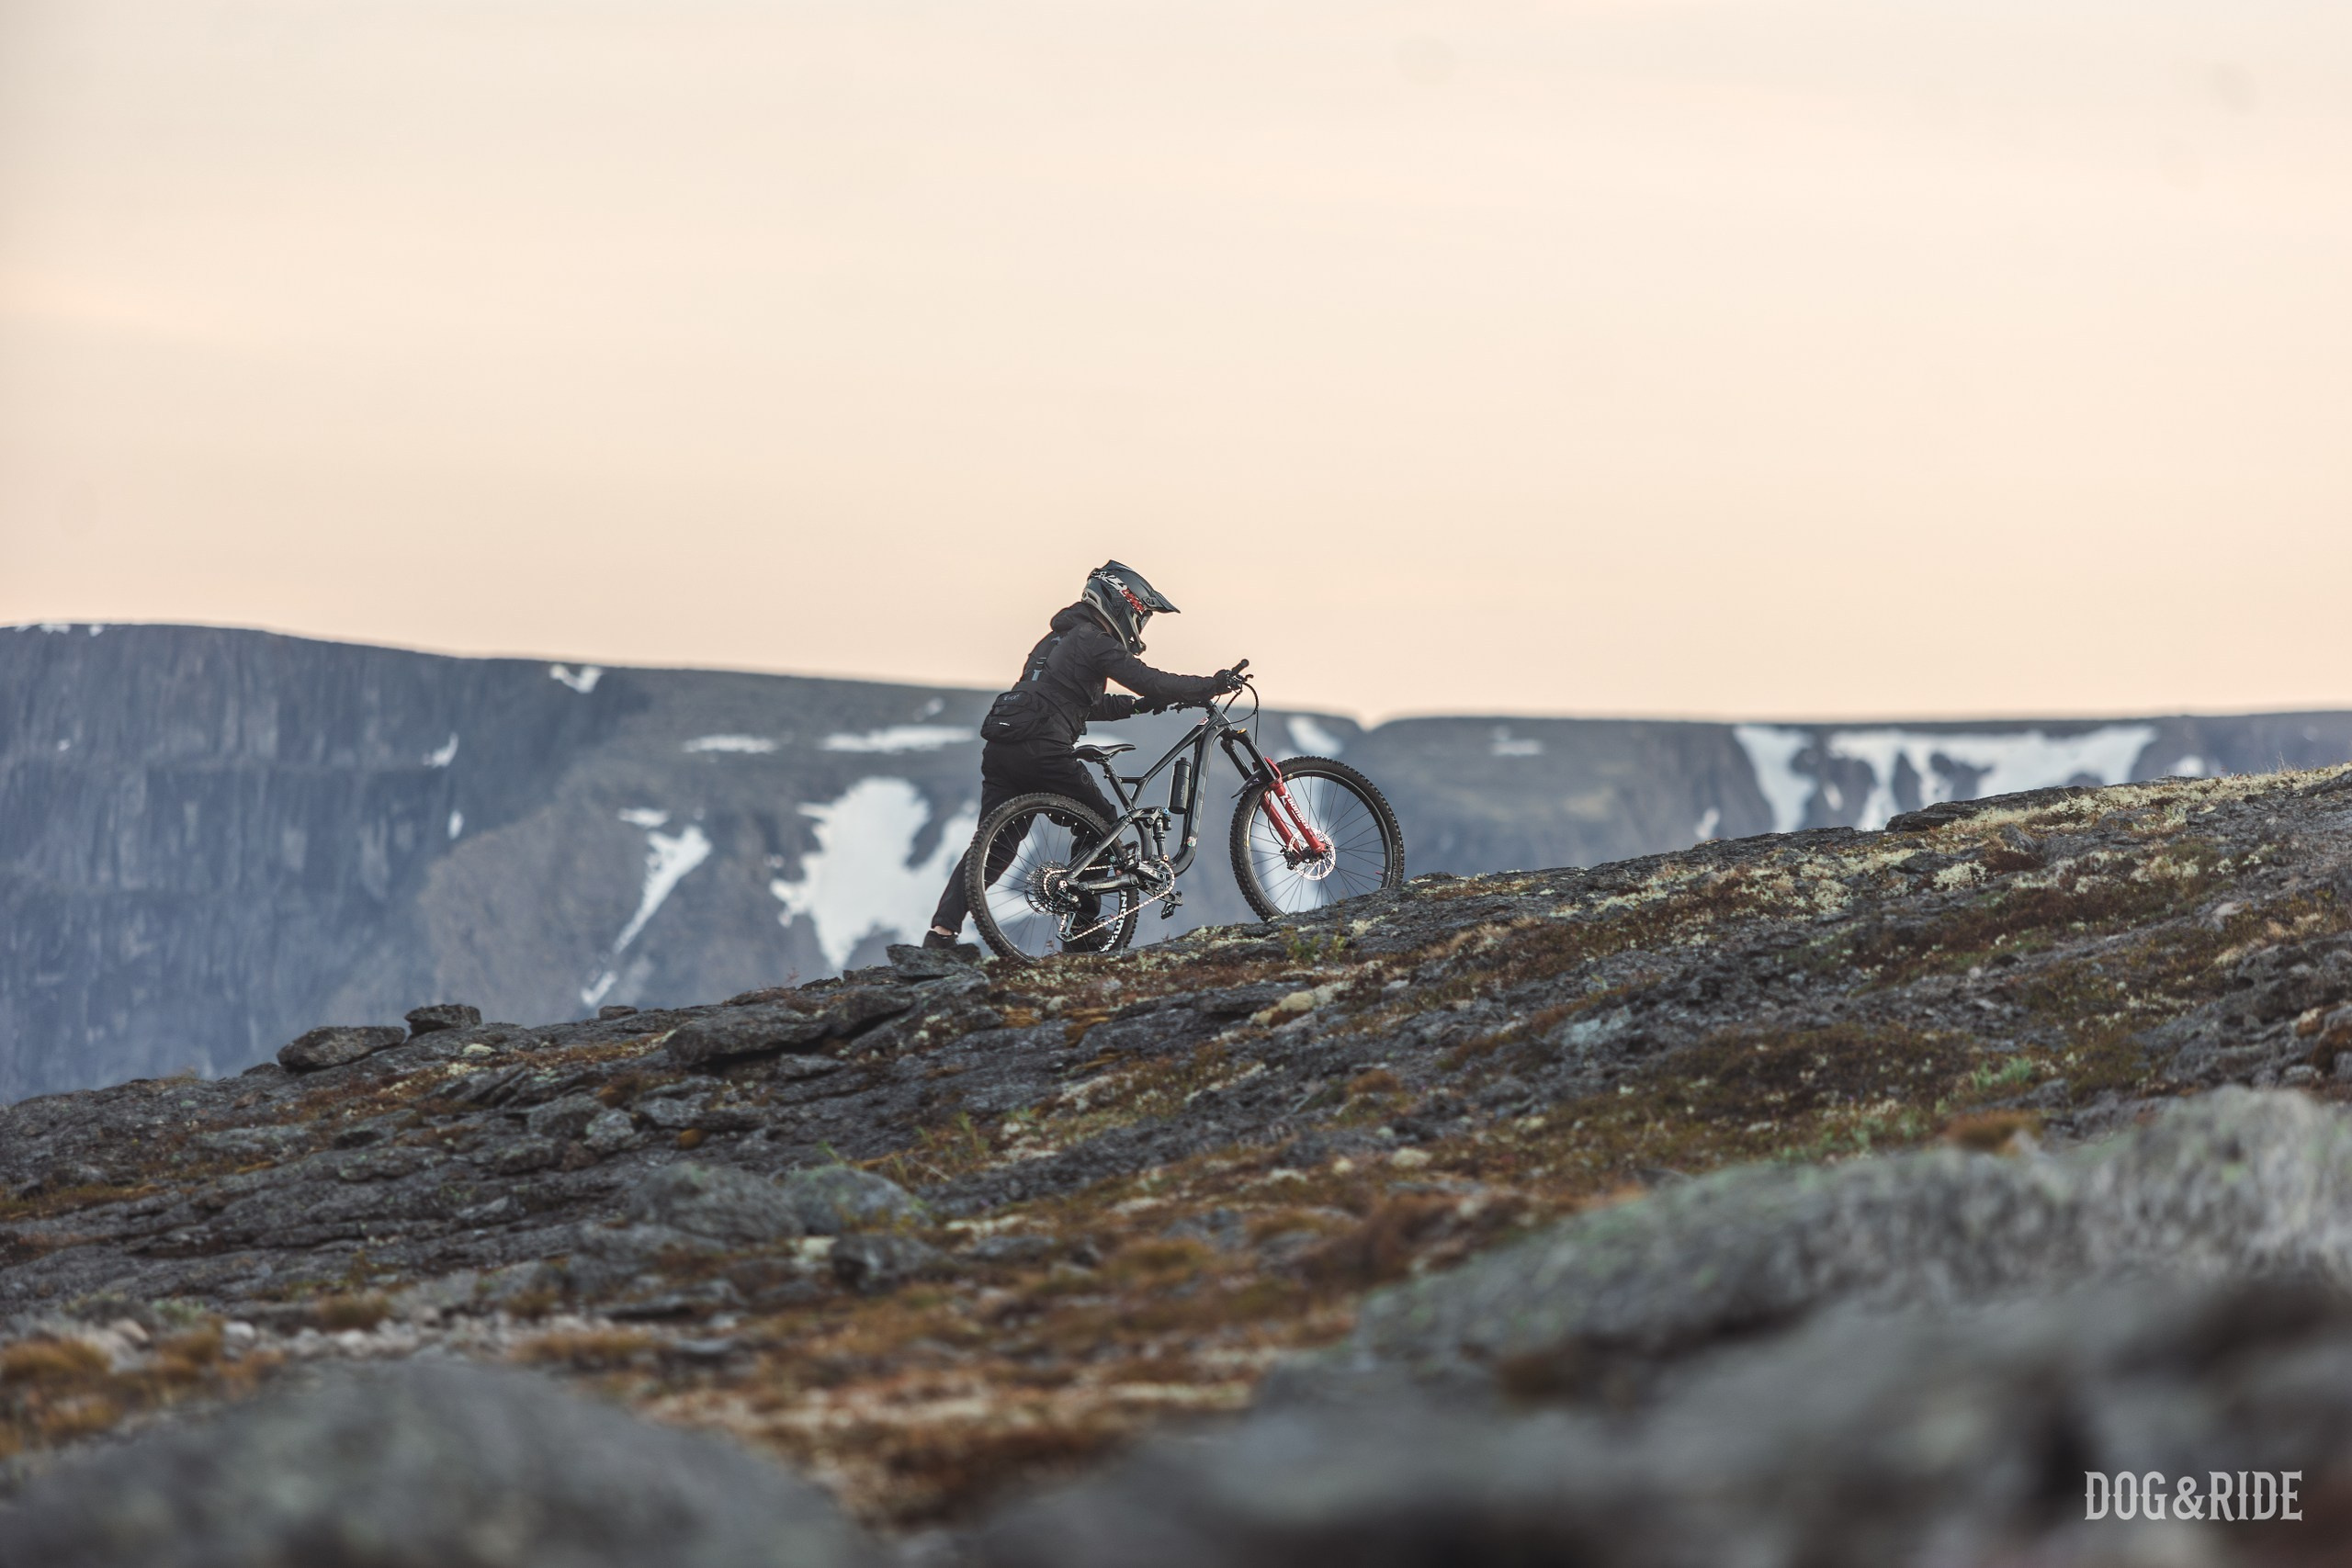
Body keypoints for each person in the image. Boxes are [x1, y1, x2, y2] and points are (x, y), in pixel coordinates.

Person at [923, 562, 1243, 949]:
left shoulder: (1053, 641)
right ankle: (1081, 931)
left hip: (1002, 752)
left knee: (991, 848)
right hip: (1044, 752)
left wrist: (1139, 707)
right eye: (1141, 615)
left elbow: (1078, 703)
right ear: (1123, 603)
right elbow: (1150, 679)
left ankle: (940, 935)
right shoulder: (1094, 639)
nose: (1140, 626)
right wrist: (1211, 684)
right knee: (1105, 829)